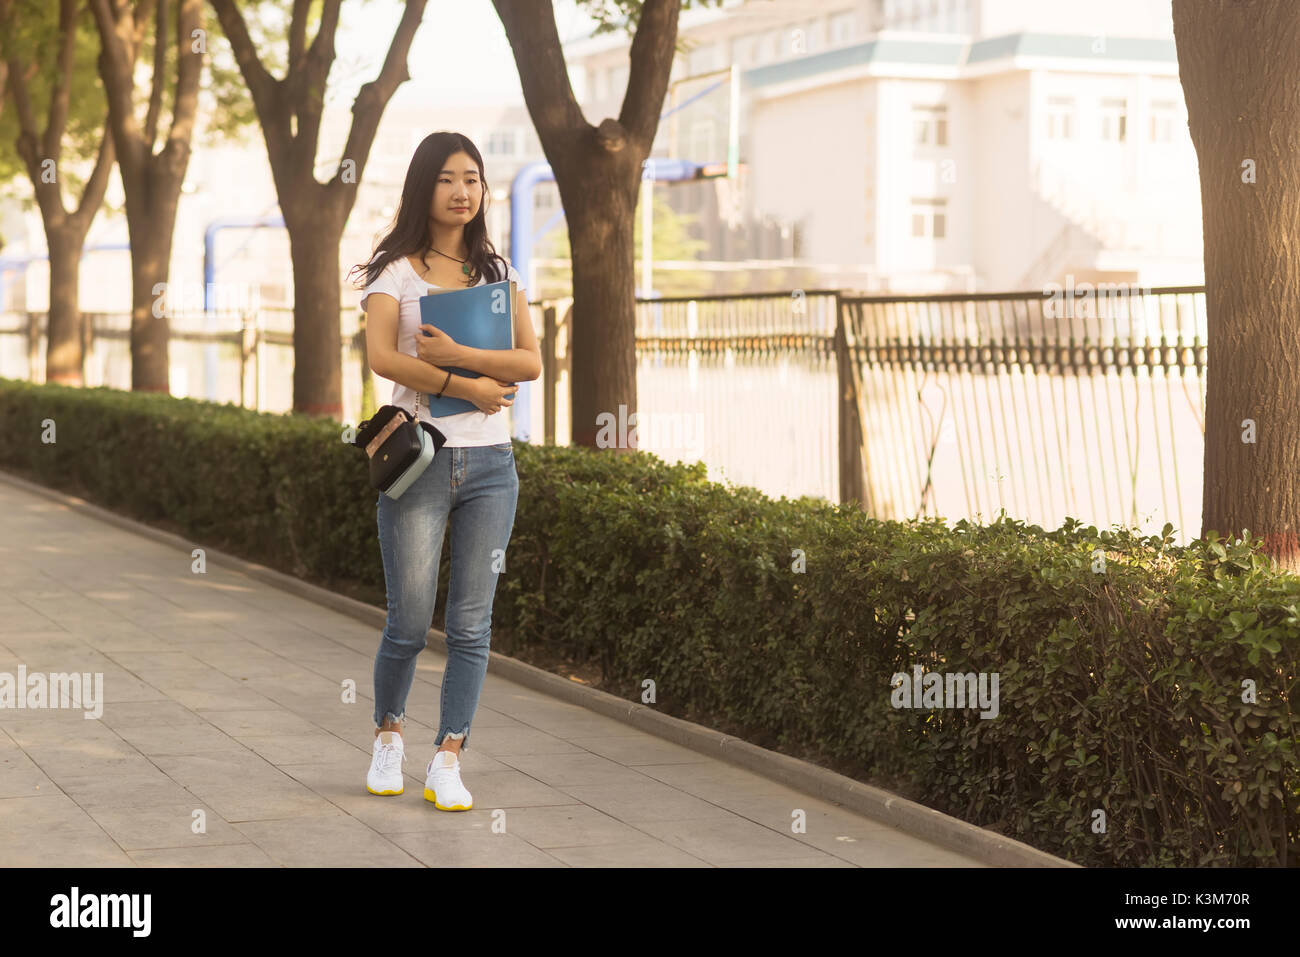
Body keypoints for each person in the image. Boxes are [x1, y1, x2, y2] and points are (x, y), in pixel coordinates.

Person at [348, 131, 541, 810]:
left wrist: (464, 360)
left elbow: (530, 362)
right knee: (408, 619)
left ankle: (448, 754)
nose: (463, 192)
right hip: (421, 461)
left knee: (470, 624)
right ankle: (389, 736)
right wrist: (461, 378)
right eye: (448, 179)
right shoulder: (395, 271)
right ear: (423, 187)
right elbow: (381, 356)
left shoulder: (500, 272)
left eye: (474, 179)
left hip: (493, 466)